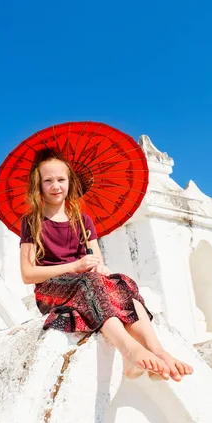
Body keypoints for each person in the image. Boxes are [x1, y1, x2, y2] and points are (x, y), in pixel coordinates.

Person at [20, 148, 193, 382]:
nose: (55, 186)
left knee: (120, 281)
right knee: (90, 281)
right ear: (38, 185)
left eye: (61, 179)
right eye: (48, 181)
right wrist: (74, 267)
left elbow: (97, 262)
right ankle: (128, 350)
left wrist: (99, 267)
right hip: (51, 290)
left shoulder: (83, 221)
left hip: (84, 281)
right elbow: (28, 274)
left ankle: (157, 351)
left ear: (70, 182)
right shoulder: (32, 222)